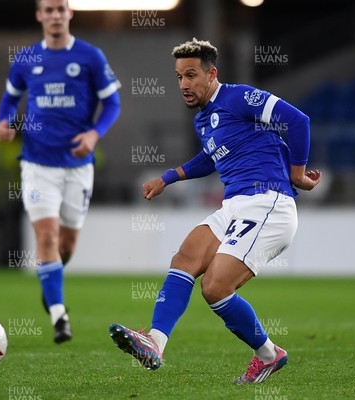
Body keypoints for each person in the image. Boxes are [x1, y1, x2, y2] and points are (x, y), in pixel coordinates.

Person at [109, 38, 320, 383]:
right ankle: (156, 343)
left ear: (212, 74)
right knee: (185, 258)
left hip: (269, 204)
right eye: (179, 77)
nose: (184, 85)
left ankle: (268, 355)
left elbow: (298, 121)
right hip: (236, 206)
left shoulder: (237, 97)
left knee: (215, 287)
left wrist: (297, 174)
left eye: (191, 75)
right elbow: (212, 156)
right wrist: (168, 177)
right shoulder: (204, 120)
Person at [0, 0, 121, 343]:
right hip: (37, 163)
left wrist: (94, 134)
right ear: (39, 15)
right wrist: (3, 122)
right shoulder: (25, 59)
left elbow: (112, 102)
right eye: (47, 10)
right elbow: (9, 99)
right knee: (47, 237)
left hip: (78, 166)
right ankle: (59, 315)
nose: (54, 15)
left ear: (70, 13)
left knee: (66, 244)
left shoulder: (90, 56)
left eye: (59, 9)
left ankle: (49, 281)